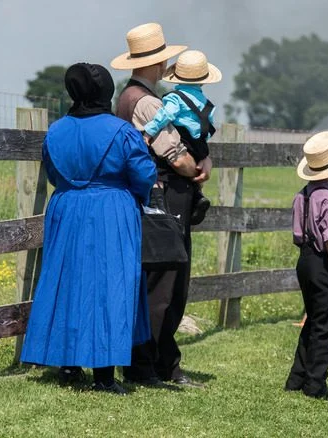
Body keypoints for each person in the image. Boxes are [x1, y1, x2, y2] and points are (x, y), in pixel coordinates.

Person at [20, 63, 157, 395]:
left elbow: (53, 173)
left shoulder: (55, 131)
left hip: (66, 208)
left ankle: (67, 364)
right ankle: (104, 376)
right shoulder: (121, 131)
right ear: (105, 91)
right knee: (110, 285)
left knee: (67, 281)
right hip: (111, 209)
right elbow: (144, 175)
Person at [111, 22, 212, 388]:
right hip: (166, 195)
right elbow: (174, 153)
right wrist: (196, 167)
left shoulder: (128, 96)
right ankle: (147, 365)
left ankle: (160, 363)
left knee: (160, 279)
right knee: (165, 283)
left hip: (156, 195)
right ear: (158, 62)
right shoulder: (148, 102)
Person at [285, 131, 328, 399]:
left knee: (313, 319)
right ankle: (315, 384)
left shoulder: (301, 195)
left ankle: (297, 378)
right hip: (322, 261)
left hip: (304, 260)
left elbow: (296, 234)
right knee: (327, 325)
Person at [142, 49, 221, 225]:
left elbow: (164, 116)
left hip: (184, 139)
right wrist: (203, 152)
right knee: (196, 170)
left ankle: (196, 195)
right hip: (200, 143)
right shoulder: (206, 101)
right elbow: (209, 125)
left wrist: (148, 132)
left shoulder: (175, 98)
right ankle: (198, 194)